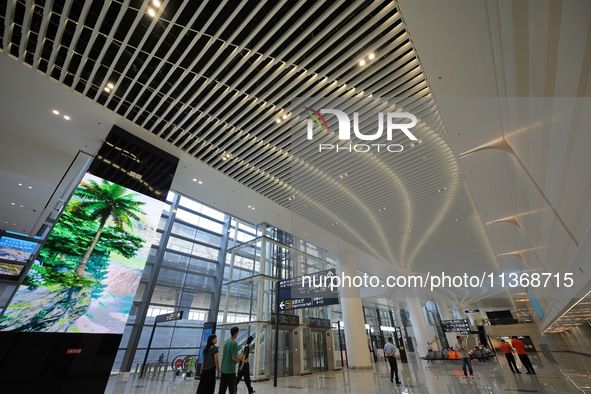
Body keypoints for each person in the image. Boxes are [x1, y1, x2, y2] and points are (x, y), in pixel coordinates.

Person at [218, 327, 244, 394]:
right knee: (233, 390)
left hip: (223, 370)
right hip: (230, 371)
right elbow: (233, 358)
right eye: (237, 333)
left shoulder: (226, 343)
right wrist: (240, 358)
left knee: (222, 390)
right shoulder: (234, 343)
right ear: (235, 333)